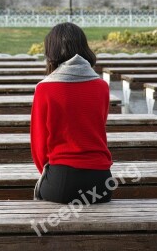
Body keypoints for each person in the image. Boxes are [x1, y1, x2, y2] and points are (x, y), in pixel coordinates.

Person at [30, 22, 113, 205]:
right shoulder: (102, 87)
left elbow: (39, 146)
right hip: (102, 182)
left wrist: (49, 174)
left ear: (51, 50)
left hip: (63, 181)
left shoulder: (45, 88)